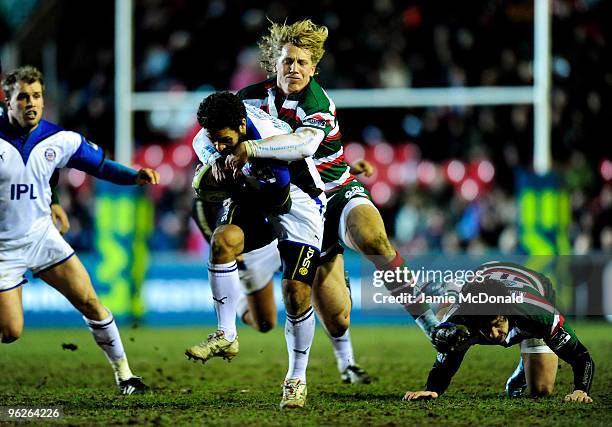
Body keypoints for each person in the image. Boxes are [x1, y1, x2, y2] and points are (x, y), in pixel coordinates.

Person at [225, 18, 439, 377]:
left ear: (314, 68)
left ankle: (434, 328)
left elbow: (305, 144)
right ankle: (345, 361)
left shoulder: (318, 102)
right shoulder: (247, 101)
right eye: (287, 61)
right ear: (274, 64)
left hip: (337, 191)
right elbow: (214, 130)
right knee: (335, 317)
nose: (294, 68)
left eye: (302, 62)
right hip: (297, 208)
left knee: (374, 239)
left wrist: (252, 147)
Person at [0, 65, 160, 395]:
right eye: (22, 97)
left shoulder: (59, 139)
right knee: (12, 331)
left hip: (42, 237)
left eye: (37, 96)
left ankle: (125, 376)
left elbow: (99, 166)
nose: (30, 103)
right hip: (3, 248)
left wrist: (133, 176)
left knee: (90, 301)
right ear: (7, 101)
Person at [185, 91, 326, 409]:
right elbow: (199, 142)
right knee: (223, 241)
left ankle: (296, 378)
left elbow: (278, 199)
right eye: (215, 140)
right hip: (252, 191)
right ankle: (225, 333)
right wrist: (213, 161)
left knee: (295, 293)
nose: (220, 145)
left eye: (224, 140)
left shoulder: (274, 144)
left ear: (242, 126)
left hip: (297, 201)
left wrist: (234, 177)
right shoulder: (220, 132)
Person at [403, 262, 595, 404]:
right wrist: (433, 390)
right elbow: (445, 362)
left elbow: (581, 355)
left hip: (536, 288)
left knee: (542, 389)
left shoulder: (538, 314)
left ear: (507, 312)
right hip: (483, 276)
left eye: (497, 324)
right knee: (447, 329)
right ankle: (450, 293)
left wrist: (580, 390)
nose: (494, 334)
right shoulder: (466, 319)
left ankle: (452, 290)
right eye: (485, 328)